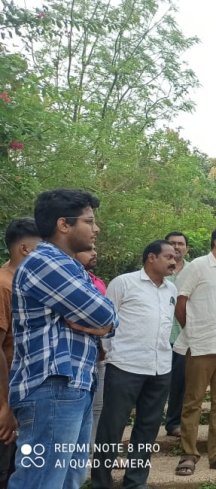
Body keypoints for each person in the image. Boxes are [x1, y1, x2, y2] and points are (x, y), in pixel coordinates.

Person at [9, 189, 118, 489]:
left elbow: (108, 317)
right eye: (89, 221)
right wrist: (103, 322)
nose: (96, 229)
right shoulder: (46, 262)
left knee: (68, 480)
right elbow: (103, 313)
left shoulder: (71, 266)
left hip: (73, 385)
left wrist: (103, 323)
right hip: (53, 386)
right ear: (63, 225)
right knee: (41, 482)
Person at [91, 240, 178, 489]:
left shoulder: (171, 289)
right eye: (168, 256)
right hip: (125, 367)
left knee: (148, 428)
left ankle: (136, 481)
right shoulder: (124, 283)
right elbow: (106, 321)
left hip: (160, 367)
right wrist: (109, 353)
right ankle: (101, 482)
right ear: (151, 258)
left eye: (175, 256)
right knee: (112, 427)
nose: (174, 261)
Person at [173, 225, 216, 476]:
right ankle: (188, 454)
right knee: (193, 402)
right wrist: (192, 331)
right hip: (202, 345)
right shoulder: (199, 266)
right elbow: (180, 302)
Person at [0, 218, 40, 488]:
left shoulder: (24, 282)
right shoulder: (4, 285)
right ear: (25, 249)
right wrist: (5, 405)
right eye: (43, 248)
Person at [75, 246, 108, 447]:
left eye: (96, 249)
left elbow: (108, 318)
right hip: (77, 354)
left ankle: (93, 449)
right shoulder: (68, 281)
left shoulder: (98, 282)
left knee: (98, 406)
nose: (94, 253)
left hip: (98, 352)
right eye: (88, 250)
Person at [164, 231, 190, 437]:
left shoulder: (194, 271)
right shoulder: (156, 270)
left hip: (184, 335)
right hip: (159, 336)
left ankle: (173, 422)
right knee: (157, 382)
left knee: (180, 382)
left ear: (186, 248)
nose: (176, 247)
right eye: (172, 243)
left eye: (180, 244)